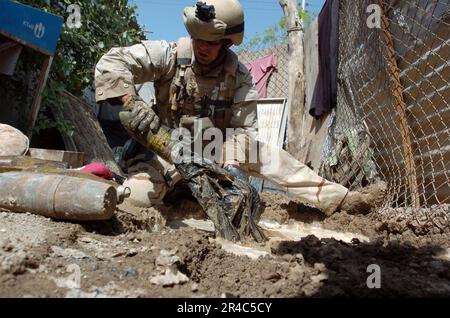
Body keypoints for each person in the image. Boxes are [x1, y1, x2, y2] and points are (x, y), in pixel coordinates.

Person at [94, 0, 386, 216]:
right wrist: (130, 102)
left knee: (273, 159)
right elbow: (111, 63)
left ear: (227, 43)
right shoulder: (169, 55)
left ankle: (343, 199)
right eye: (197, 38)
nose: (201, 46)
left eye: (210, 42)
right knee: (140, 197)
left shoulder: (239, 75)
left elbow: (245, 131)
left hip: (215, 151)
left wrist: (231, 171)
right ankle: (168, 192)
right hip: (163, 149)